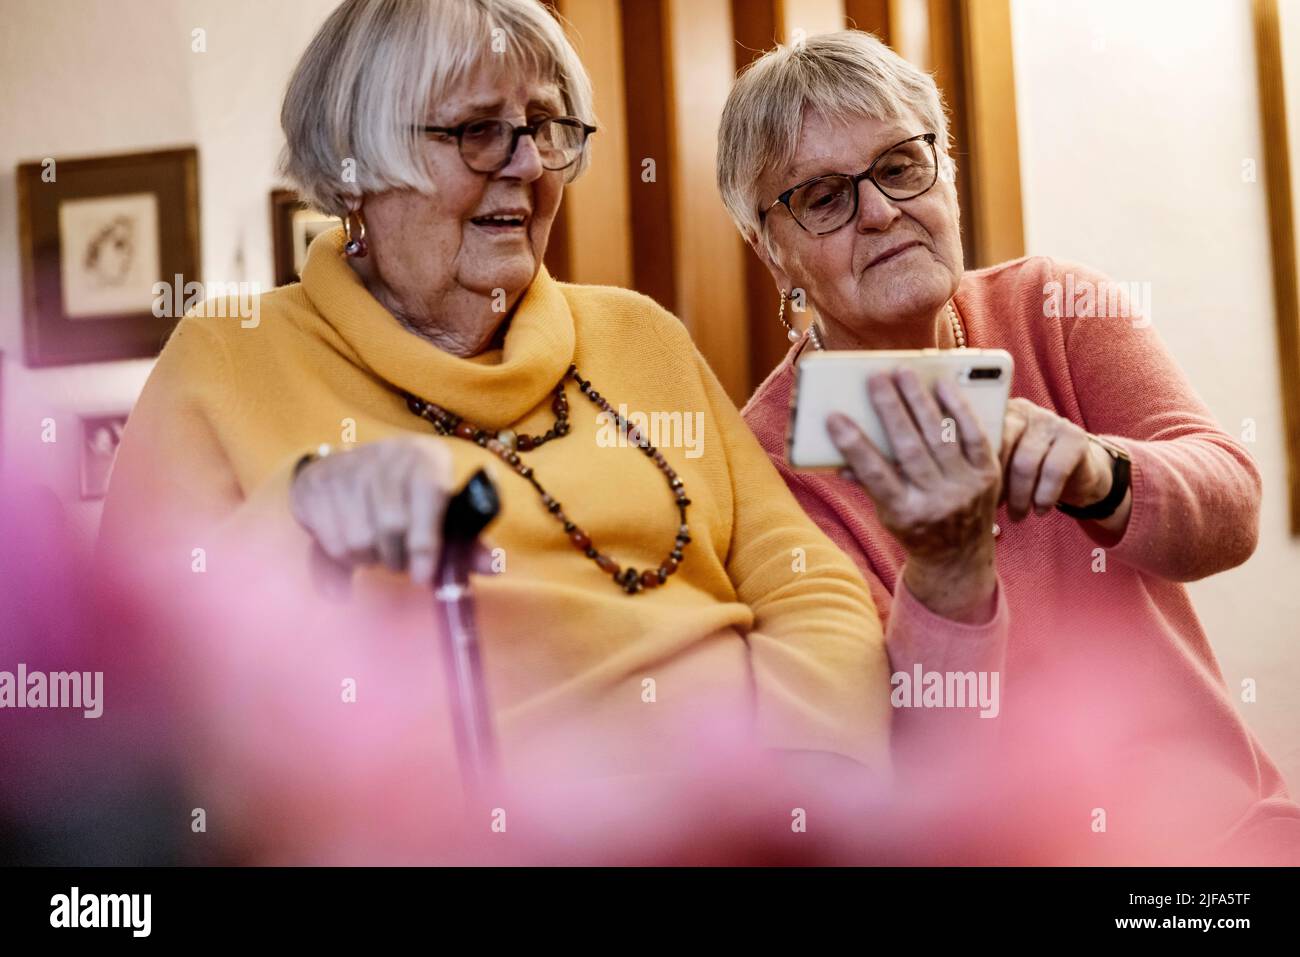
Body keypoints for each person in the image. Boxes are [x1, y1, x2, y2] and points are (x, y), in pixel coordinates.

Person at [96, 0, 898, 789]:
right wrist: (296, 520)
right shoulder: (229, 357)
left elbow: (806, 584)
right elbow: (130, 694)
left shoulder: (637, 334)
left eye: (544, 127)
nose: (526, 164)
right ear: (354, 171)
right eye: (478, 131)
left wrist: (807, 787)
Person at [719, 29, 1298, 858]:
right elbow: (905, 776)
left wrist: (1099, 471)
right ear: (771, 251)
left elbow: (1232, 509)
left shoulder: (1054, 308)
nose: (880, 211)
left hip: (1215, 834)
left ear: (944, 173)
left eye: (899, 164)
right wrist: (948, 572)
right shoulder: (767, 466)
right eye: (822, 196)